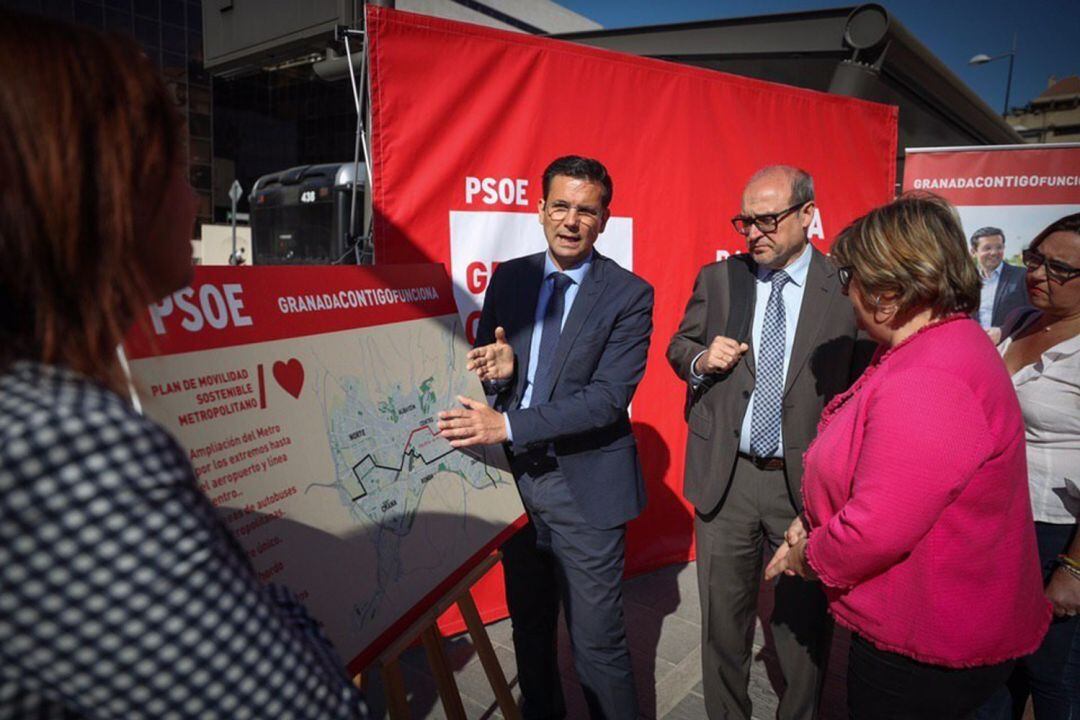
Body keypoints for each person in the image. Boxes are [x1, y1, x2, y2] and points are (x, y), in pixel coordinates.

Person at [0, 12, 367, 718]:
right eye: (176, 166)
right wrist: (269, 605)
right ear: (104, 189)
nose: (196, 200)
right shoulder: (64, 448)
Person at [766, 194, 1052, 719]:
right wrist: (814, 521)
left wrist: (811, 557)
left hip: (928, 641)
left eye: (850, 274)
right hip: (940, 625)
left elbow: (880, 525)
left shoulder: (930, 377)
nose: (845, 289)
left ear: (891, 292)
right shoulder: (932, 347)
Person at [437, 155, 653, 719]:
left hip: (586, 491)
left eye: (587, 209)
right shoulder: (510, 277)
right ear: (540, 210)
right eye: (560, 205)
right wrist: (502, 372)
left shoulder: (629, 294)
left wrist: (505, 423)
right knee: (530, 633)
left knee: (598, 649)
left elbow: (608, 399)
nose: (571, 220)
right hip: (516, 484)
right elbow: (491, 371)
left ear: (604, 219)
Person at [667, 165, 869, 720]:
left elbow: (863, 387)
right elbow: (679, 345)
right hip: (726, 480)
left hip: (806, 485)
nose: (753, 232)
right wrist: (702, 360)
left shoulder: (846, 288)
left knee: (802, 632)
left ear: (807, 215)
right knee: (721, 626)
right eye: (745, 221)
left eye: (768, 219)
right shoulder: (720, 278)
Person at [978, 213, 1080, 719]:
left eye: (1058, 269)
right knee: (996, 670)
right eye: (1035, 259)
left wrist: (1074, 568)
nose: (1038, 274)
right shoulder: (1020, 320)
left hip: (1055, 537)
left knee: (1054, 678)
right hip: (1000, 524)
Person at [971, 226, 1029, 342]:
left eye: (999, 247)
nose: (994, 252)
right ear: (973, 252)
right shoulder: (966, 280)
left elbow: (1035, 314)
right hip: (974, 347)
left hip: (1010, 347)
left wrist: (1004, 331)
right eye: (987, 248)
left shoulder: (1023, 276)